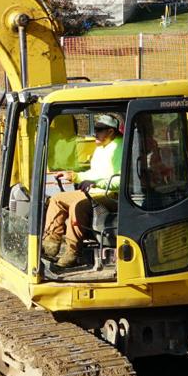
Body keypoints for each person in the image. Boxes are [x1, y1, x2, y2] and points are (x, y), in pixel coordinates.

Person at [42, 114, 123, 268]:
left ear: (111, 132)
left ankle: (72, 252)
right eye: (94, 129)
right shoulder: (101, 148)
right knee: (57, 199)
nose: (95, 133)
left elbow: (120, 179)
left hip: (111, 195)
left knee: (78, 205)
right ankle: (50, 246)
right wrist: (74, 176)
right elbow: (94, 173)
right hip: (94, 191)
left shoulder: (120, 148)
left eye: (99, 130)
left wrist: (96, 184)